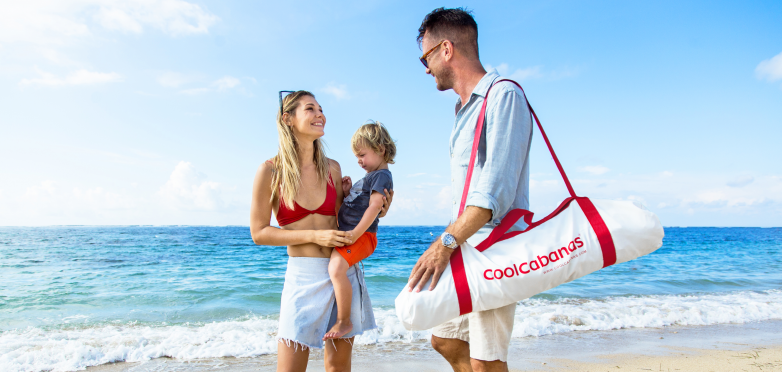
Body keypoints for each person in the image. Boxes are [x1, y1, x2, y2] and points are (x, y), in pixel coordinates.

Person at [407, 8, 533, 372]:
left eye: (425, 57)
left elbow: (495, 191)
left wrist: (443, 244)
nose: (426, 68)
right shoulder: (463, 111)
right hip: (468, 245)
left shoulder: (503, 96)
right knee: (445, 338)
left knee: (487, 361)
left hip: (496, 246)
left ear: (446, 49)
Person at [250, 90, 393, 372]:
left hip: (342, 271)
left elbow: (345, 220)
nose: (320, 114)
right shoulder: (270, 171)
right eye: (310, 109)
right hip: (302, 276)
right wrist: (315, 236)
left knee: (338, 368)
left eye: (321, 109)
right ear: (287, 119)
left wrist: (376, 207)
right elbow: (260, 233)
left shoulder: (333, 169)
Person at [324, 121, 395, 340]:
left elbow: (374, 207)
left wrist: (355, 234)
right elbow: (357, 205)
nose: (359, 161)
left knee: (336, 269)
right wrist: (346, 193)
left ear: (380, 150)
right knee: (335, 268)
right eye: (356, 156)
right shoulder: (369, 177)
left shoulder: (381, 176)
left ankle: (344, 321)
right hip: (355, 234)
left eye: (362, 154)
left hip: (363, 236)